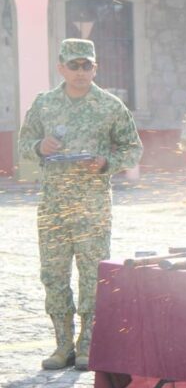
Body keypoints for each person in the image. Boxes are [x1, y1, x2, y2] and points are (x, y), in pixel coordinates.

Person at [18, 38, 143, 370]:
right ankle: (62, 345)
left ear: (95, 68)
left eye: (86, 65)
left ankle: (88, 343)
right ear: (60, 67)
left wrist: (106, 162)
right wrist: (39, 146)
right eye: (73, 65)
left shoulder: (110, 106)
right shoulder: (44, 104)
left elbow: (132, 149)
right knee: (54, 274)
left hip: (92, 205)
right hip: (54, 205)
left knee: (92, 275)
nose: (80, 71)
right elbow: (23, 144)